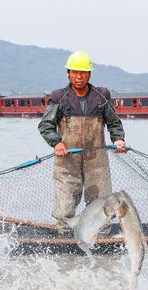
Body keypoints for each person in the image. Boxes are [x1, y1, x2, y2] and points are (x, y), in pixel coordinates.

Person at [38, 50, 126, 230]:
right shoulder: (58, 97)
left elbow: (114, 122)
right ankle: (63, 236)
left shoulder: (101, 96)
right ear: (68, 74)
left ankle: (100, 239)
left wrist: (118, 140)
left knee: (101, 206)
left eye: (83, 72)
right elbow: (45, 125)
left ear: (89, 74)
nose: (79, 77)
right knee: (65, 206)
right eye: (75, 72)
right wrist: (57, 142)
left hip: (97, 161)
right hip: (67, 161)